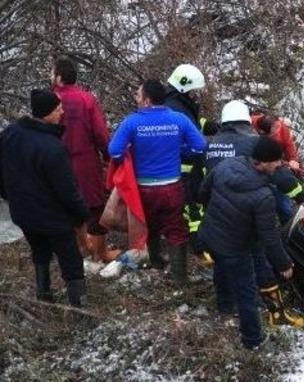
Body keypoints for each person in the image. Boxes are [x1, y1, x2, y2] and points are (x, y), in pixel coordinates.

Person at [197, 137, 301, 348]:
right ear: (264, 162)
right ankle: (253, 340)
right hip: (235, 247)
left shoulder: (226, 165)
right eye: (277, 161)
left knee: (221, 268)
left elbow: (202, 194)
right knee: (246, 293)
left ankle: (224, 305)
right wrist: (284, 264)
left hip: (210, 235)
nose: (279, 164)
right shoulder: (263, 196)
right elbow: (269, 237)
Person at [107, 79, 207, 286]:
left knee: (149, 225)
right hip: (172, 186)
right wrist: (179, 152)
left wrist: (132, 156)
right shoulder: (179, 119)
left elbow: (114, 151)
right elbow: (200, 146)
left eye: (138, 94)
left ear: (146, 99)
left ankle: (156, 261)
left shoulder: (131, 122)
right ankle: (180, 279)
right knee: (176, 230)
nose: (136, 98)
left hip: (143, 188)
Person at [0, 90, 90, 307]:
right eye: (58, 108)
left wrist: (8, 194)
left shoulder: (11, 133)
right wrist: (83, 214)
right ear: (47, 113)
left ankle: (44, 295)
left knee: (39, 251)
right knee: (71, 261)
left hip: (23, 213)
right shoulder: (53, 148)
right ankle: (80, 308)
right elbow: (67, 190)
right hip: (53, 218)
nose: (62, 112)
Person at [51, 57, 118, 263]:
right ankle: (100, 253)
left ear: (59, 77)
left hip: (55, 161)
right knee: (94, 206)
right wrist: (108, 157)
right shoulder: (86, 99)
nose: (50, 75)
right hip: (85, 160)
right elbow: (100, 132)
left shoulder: (50, 100)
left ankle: (80, 247)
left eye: (52, 72)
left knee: (64, 205)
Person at [209, 101, 304, 221]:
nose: (277, 131)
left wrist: (293, 160)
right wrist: (302, 197)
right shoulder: (253, 141)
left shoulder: (211, 144)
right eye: (274, 131)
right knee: (281, 206)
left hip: (217, 206)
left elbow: (202, 186)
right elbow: (280, 174)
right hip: (248, 199)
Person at [164, 64, 208, 245]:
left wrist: (209, 125)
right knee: (192, 208)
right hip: (184, 167)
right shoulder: (176, 109)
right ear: (184, 88)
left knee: (190, 206)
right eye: (193, 90)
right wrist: (202, 146)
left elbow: (193, 124)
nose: (195, 94)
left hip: (185, 165)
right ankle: (196, 244)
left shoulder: (177, 104)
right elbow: (186, 135)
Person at [250, 112, 304, 181]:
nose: (278, 133)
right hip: (268, 155)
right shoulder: (251, 127)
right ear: (264, 133)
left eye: (278, 127)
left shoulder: (280, 127)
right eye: (275, 133)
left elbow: (289, 144)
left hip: (278, 150)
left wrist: (293, 160)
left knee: (295, 164)